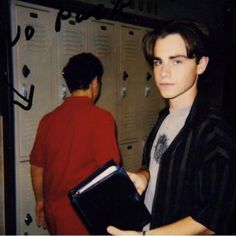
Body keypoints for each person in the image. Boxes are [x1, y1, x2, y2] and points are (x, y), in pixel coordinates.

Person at [107, 20, 236, 235]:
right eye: (158, 62)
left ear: (201, 65)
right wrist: (144, 176)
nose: (163, 73)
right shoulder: (165, 117)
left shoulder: (214, 133)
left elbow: (213, 220)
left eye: (176, 61)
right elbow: (155, 164)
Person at [30, 53, 120, 234]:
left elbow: (37, 167)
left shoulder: (48, 120)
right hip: (84, 216)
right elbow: (111, 171)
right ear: (95, 81)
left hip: (54, 214)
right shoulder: (101, 118)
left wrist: (40, 201)